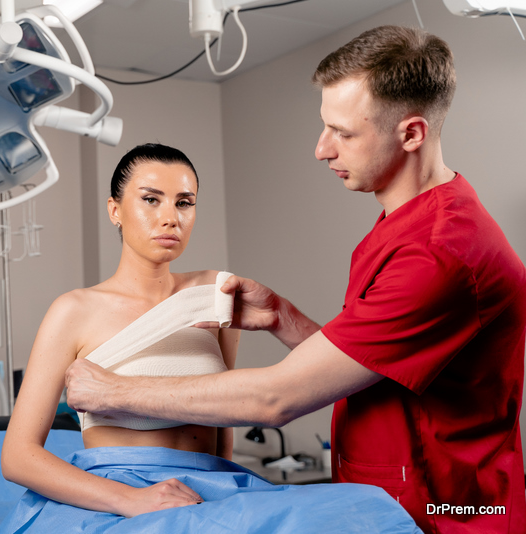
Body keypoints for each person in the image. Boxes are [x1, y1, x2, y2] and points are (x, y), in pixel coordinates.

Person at [65, 26, 526, 534]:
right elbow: (374, 363)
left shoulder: (441, 253)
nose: (321, 149)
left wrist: (114, 392)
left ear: (412, 133)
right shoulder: (409, 223)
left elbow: (275, 400)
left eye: (343, 133)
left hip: (448, 511)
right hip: (388, 499)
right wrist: (287, 320)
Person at [0, 143, 421, 533]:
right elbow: (18, 456)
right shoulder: (73, 311)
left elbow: (223, 416)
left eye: (185, 202)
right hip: (119, 491)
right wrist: (131, 500)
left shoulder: (212, 293)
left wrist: (228, 504)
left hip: (212, 486)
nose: (171, 217)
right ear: (115, 210)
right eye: (150, 199)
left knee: (365, 511)